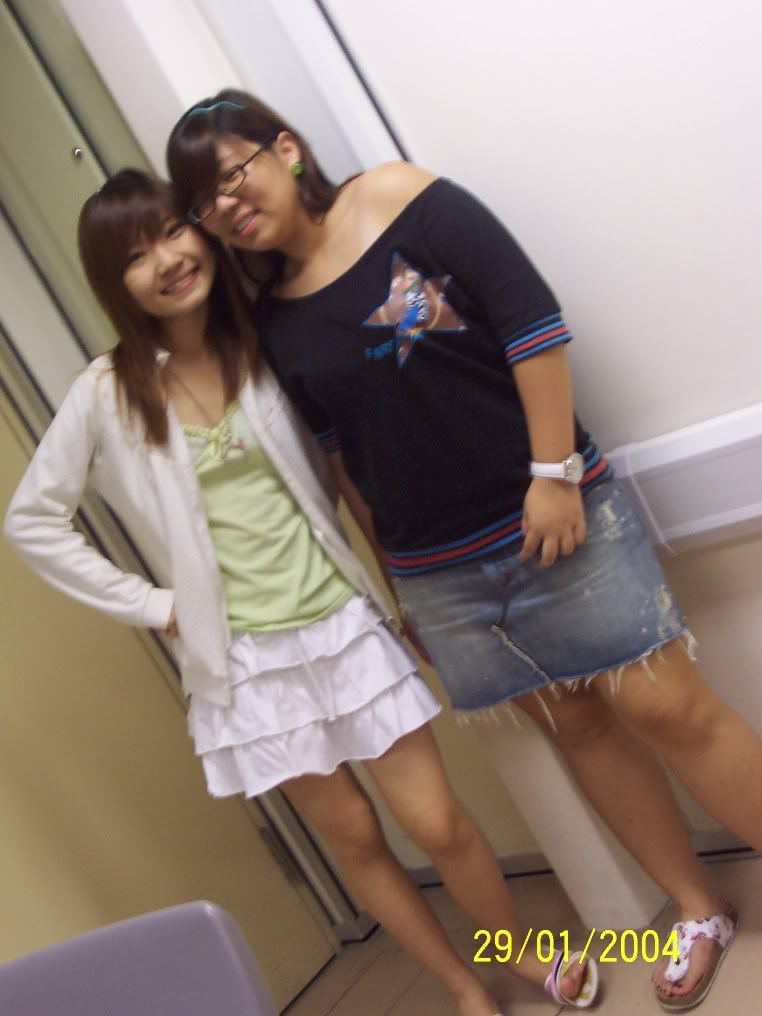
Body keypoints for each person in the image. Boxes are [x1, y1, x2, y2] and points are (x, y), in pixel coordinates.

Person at [167, 90, 762, 1011]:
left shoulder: (401, 199)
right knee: (575, 726)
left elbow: (530, 321)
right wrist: (398, 586)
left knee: (670, 707)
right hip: (439, 574)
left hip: (553, 511)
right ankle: (696, 906)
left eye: (234, 174)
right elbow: (346, 466)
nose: (227, 206)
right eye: (205, 203)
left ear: (285, 149)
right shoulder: (275, 322)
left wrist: (553, 472)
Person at [3, 170, 599, 1016]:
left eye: (173, 231)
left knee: (437, 823)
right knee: (355, 839)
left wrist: (406, 582)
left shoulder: (268, 343)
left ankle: (523, 958)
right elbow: (31, 519)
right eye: (135, 256)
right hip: (245, 665)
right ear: (116, 283)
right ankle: (465, 988)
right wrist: (153, 606)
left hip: (340, 624)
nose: (167, 261)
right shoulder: (108, 391)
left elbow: (356, 455)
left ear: (202, 232)